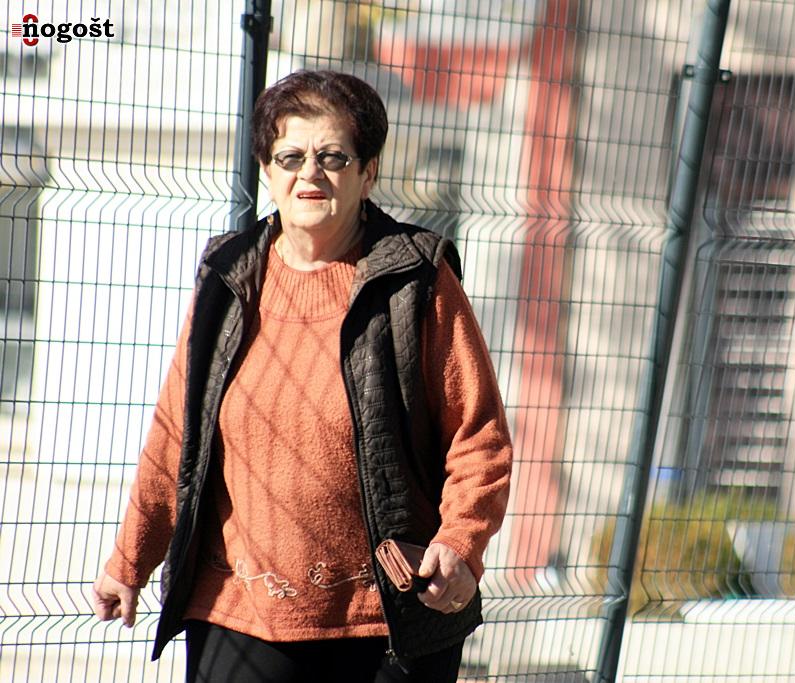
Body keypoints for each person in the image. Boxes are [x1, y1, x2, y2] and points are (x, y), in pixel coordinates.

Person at [92, 70, 513, 682]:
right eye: (290, 157)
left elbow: (479, 434)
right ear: (267, 171)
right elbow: (176, 434)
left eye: (333, 156)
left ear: (368, 172)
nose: (310, 173)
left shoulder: (415, 279)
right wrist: (131, 559)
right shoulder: (229, 277)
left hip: (385, 614)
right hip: (238, 609)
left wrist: (460, 543)